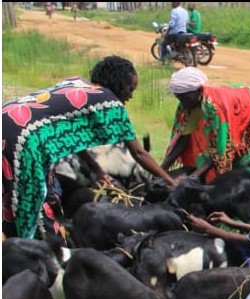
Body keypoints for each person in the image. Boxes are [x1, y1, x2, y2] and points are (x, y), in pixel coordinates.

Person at [2, 55, 177, 242]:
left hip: (7, 118)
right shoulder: (109, 103)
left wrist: (97, 171)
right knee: (37, 202)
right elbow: (139, 153)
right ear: (119, 85)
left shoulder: (75, 82)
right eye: (130, 90)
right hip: (21, 140)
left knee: (9, 194)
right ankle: (36, 250)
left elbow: (73, 139)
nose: (130, 96)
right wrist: (171, 182)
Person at [161, 67, 250, 218]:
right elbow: (183, 137)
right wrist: (161, 169)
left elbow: (220, 150)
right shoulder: (187, 103)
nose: (181, 102)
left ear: (198, 91)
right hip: (235, 107)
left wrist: (192, 178)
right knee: (215, 166)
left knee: (245, 167)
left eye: (184, 98)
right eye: (178, 98)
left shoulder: (216, 108)